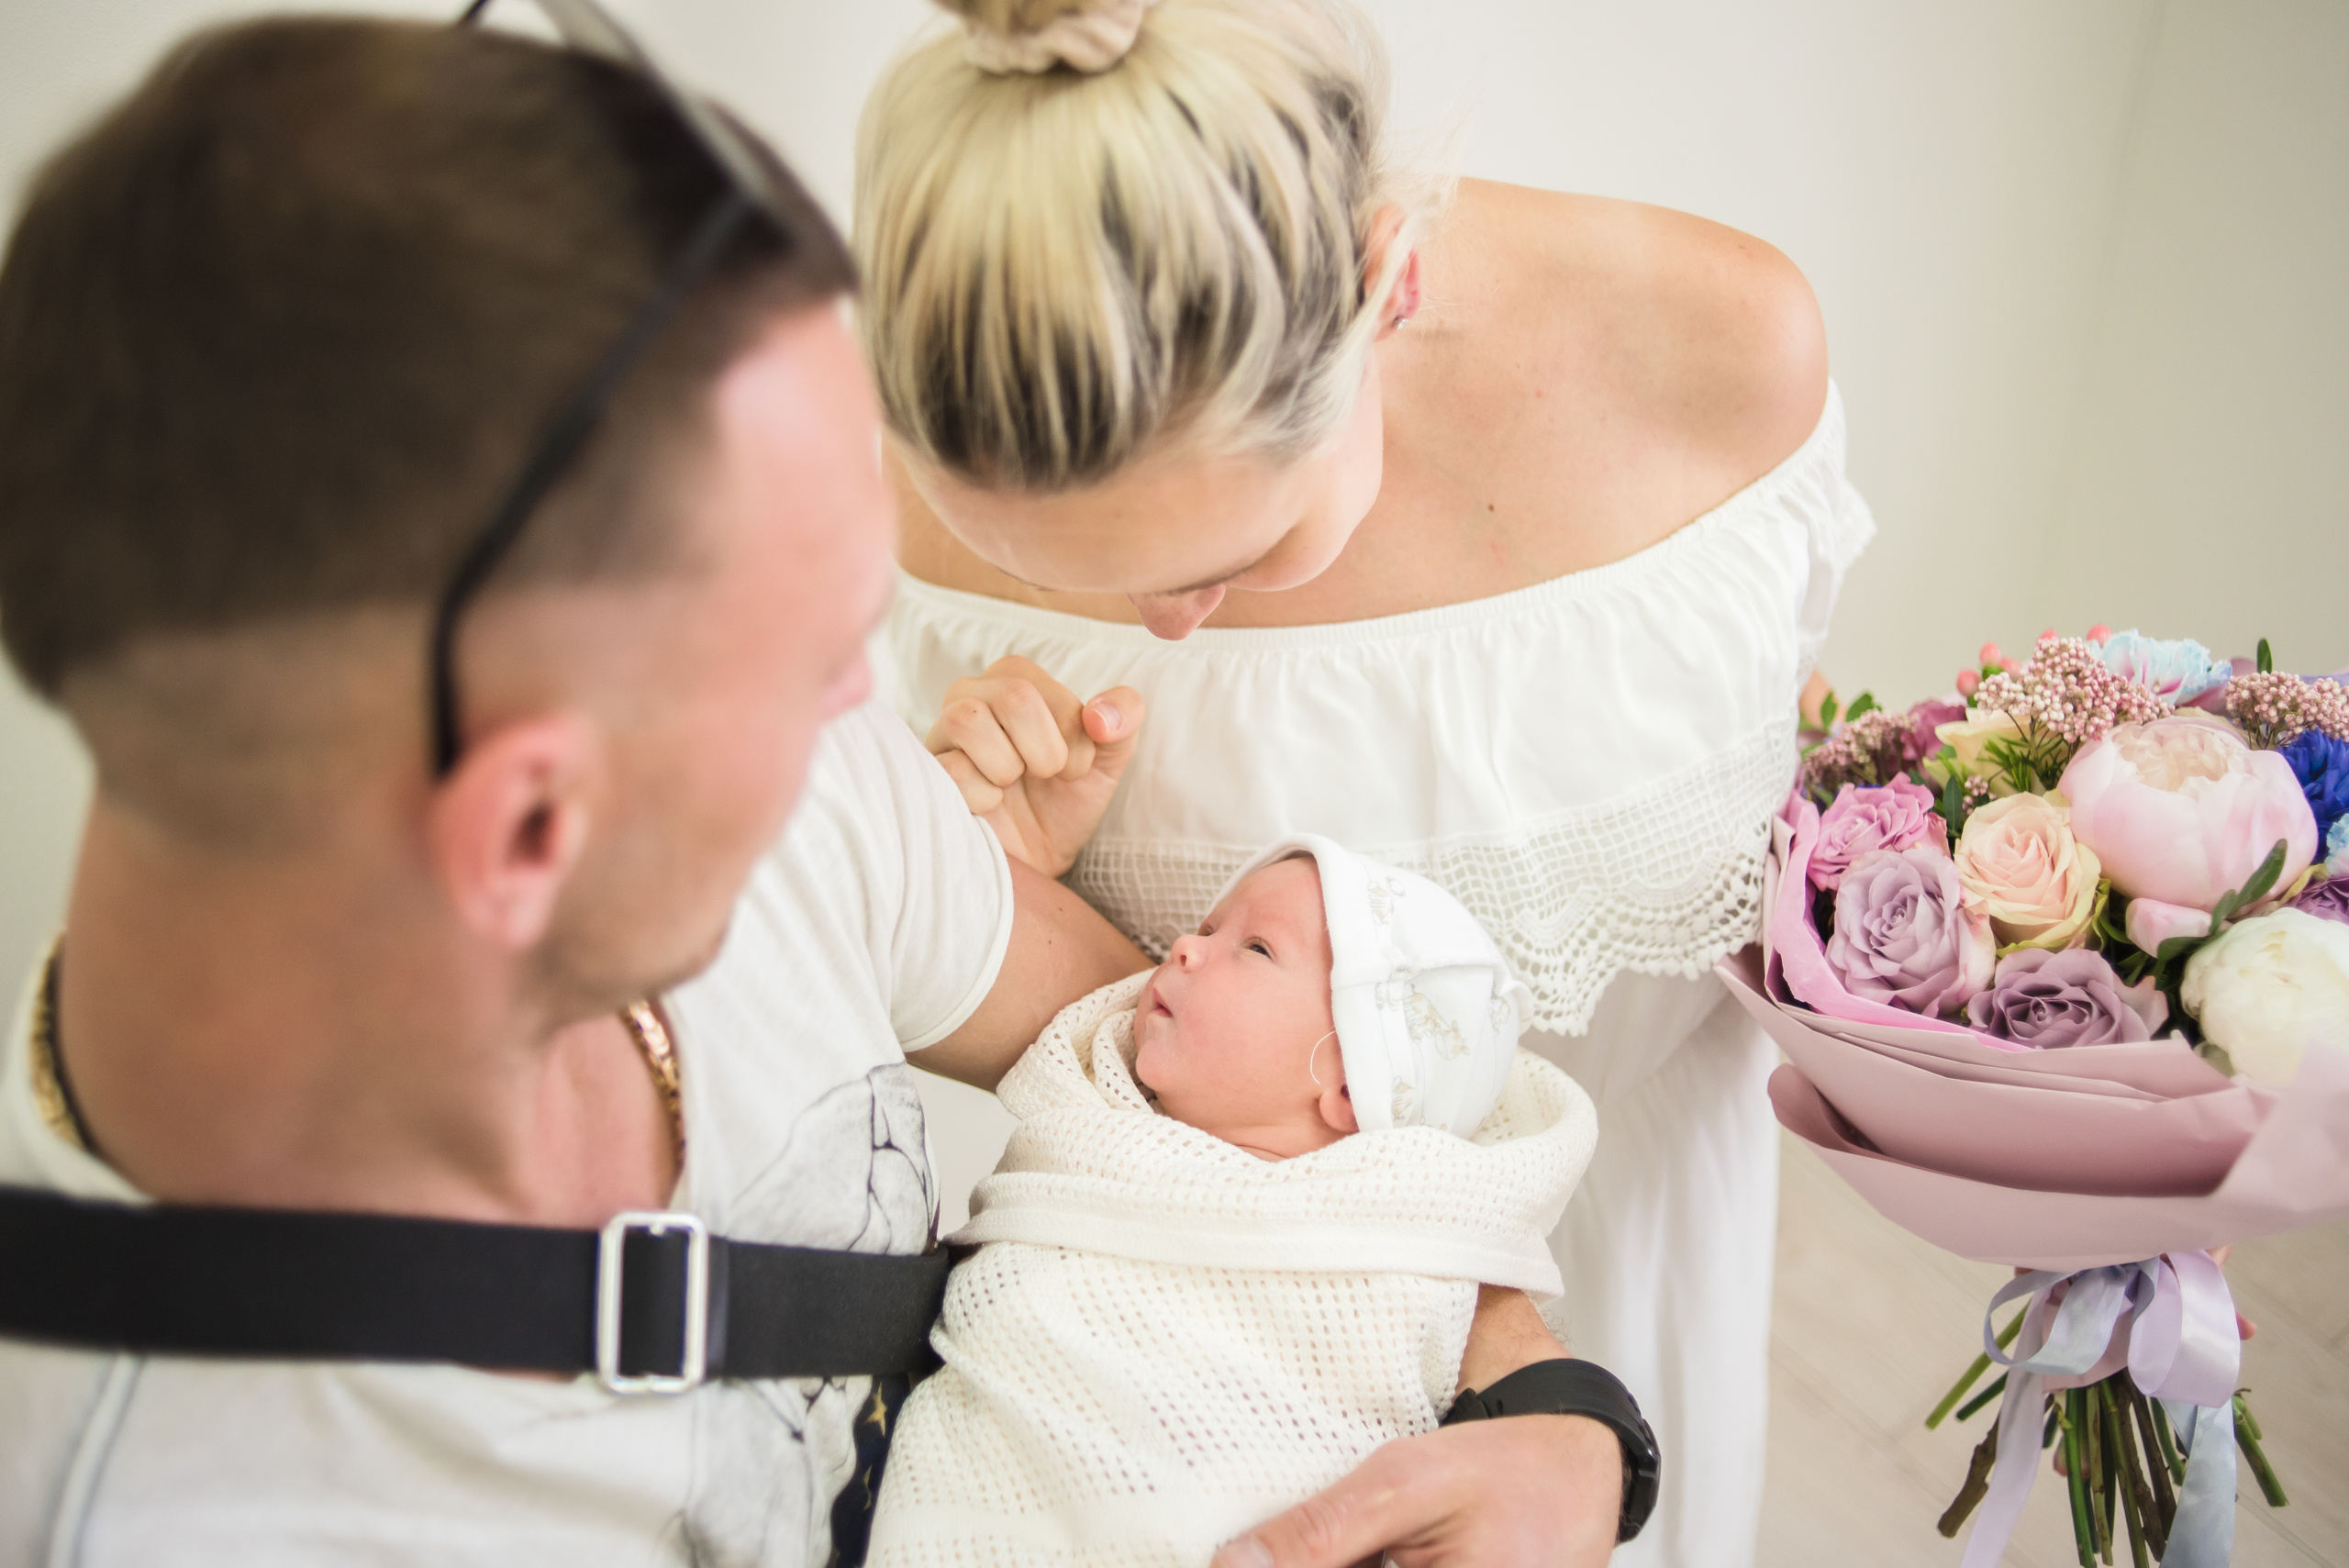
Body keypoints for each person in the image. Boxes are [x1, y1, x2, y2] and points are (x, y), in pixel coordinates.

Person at [0, 12, 1622, 1566]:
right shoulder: (202, 1513)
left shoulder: (819, 805)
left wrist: (1543, 1398)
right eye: (807, 657)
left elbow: (1255, 1116)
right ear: (531, 831)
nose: (873, 708)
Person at [859, 2, 1873, 1562]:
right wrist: (989, 877)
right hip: (1138, 1387)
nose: (1168, 631)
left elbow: (1793, 792)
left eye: (1230, 553)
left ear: (1384, 275)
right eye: (1069, 576)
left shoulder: (1721, 365)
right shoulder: (925, 457)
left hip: (1623, 1287)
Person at [869, 840, 1603, 1564]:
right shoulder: (1084, 1119)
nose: (1187, 945)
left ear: (1349, 1085)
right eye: (1208, 926)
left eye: (1254, 948)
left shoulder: (1397, 1246)